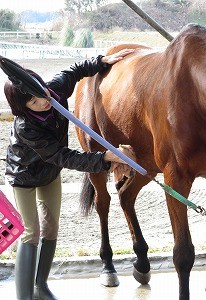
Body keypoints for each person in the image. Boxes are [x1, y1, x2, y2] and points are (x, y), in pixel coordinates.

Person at [3, 48, 135, 300]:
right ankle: (24, 296)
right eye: (33, 101)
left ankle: (40, 287)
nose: (42, 101)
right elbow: (64, 156)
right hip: (23, 177)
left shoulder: (54, 92)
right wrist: (104, 159)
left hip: (50, 174)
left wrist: (99, 62)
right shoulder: (25, 127)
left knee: (51, 229)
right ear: (23, 107)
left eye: (41, 92)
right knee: (31, 232)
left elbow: (73, 71)